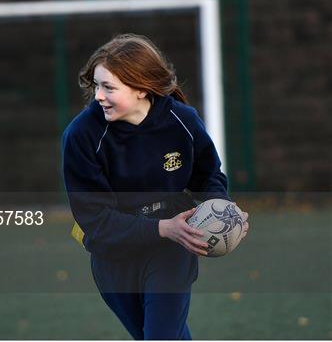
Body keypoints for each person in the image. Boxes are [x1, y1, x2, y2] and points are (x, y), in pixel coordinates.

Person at [62, 33, 249, 340]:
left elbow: (208, 175)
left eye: (108, 87)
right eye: (97, 85)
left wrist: (223, 211)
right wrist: (163, 227)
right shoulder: (82, 136)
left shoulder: (182, 120)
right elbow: (95, 221)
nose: (98, 95)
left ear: (141, 88)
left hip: (171, 250)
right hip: (113, 257)